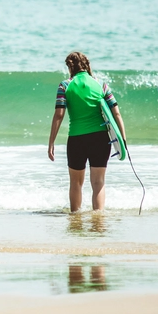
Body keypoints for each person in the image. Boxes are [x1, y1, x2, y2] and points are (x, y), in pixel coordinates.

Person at [47, 51, 126, 212]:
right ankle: (98, 219)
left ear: (70, 67)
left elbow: (59, 115)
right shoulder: (101, 84)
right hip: (101, 139)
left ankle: (75, 219)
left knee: (76, 183)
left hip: (77, 140)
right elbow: (116, 113)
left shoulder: (65, 86)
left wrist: (51, 142)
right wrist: (122, 139)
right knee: (98, 182)